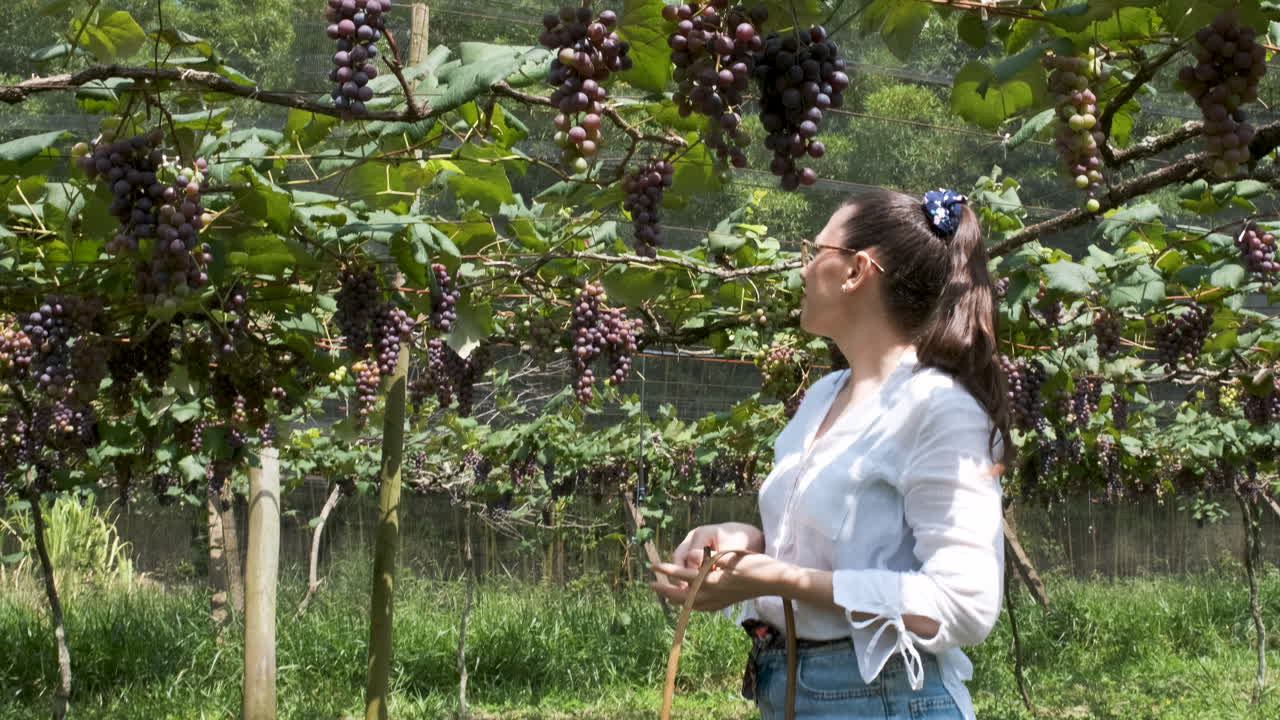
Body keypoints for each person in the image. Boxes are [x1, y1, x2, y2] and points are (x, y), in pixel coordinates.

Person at [652, 188, 1012, 720]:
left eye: (813, 250)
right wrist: (745, 542)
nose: (802, 270)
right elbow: (843, 550)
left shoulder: (938, 408)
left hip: (882, 698)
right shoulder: (825, 395)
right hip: (793, 685)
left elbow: (966, 605)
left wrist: (776, 579)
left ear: (855, 272)